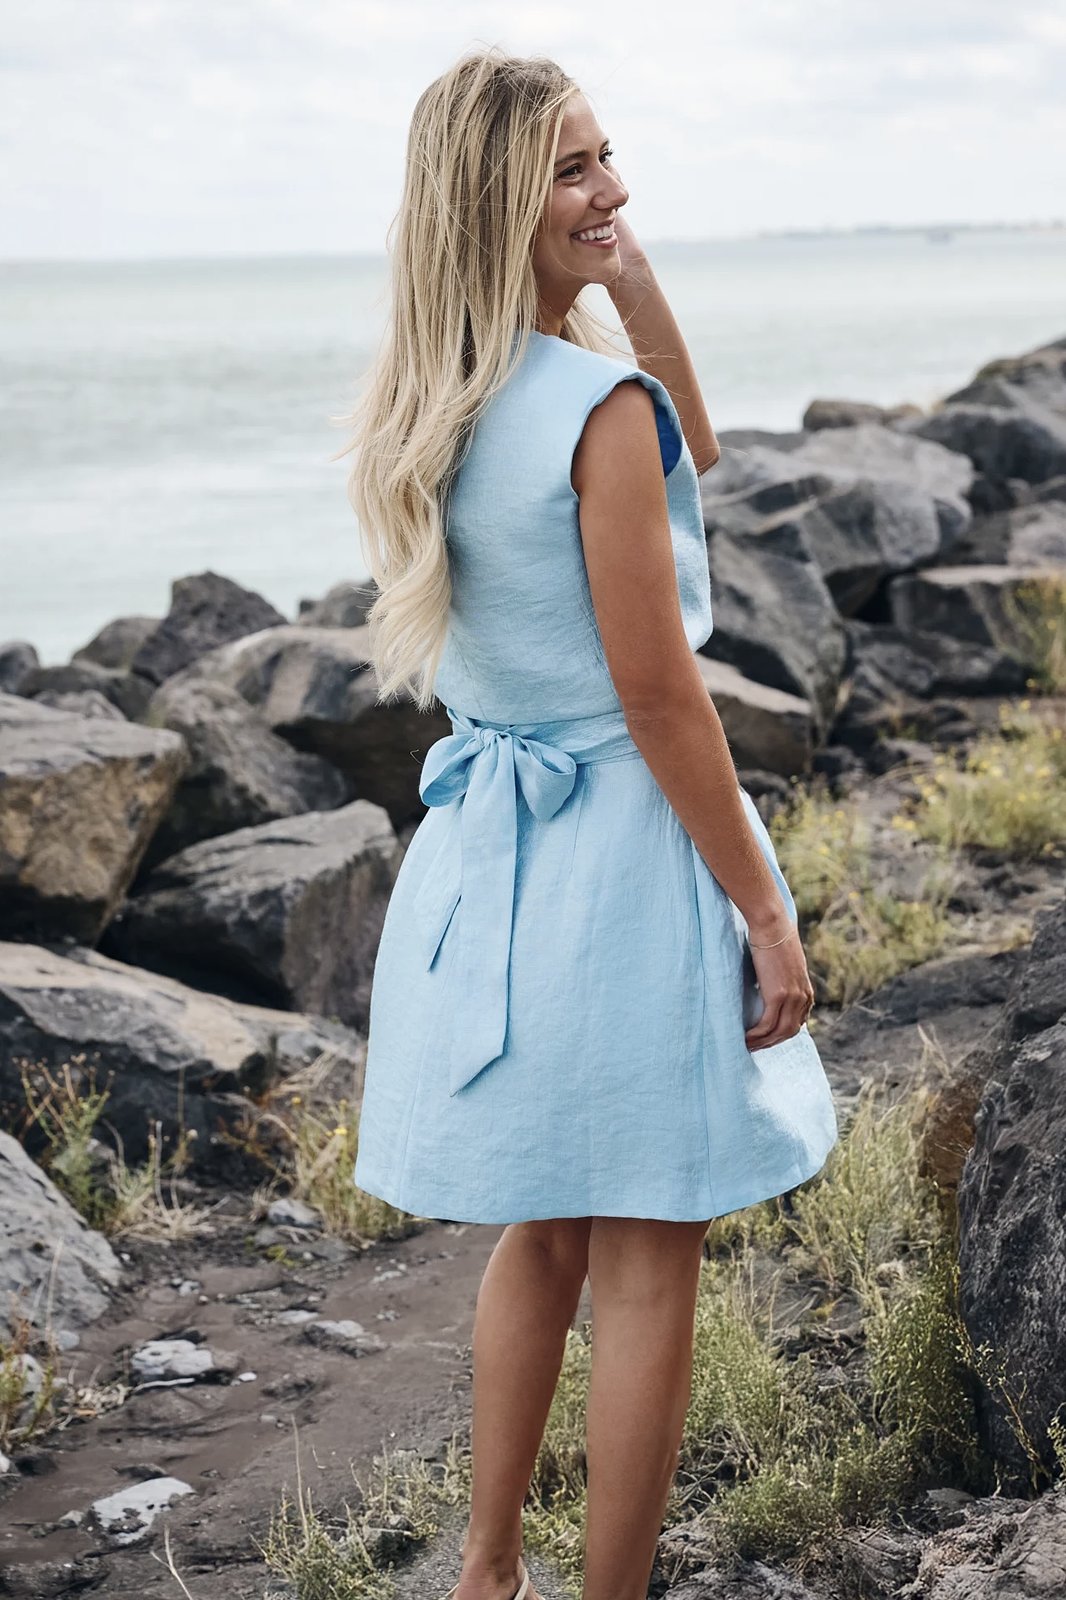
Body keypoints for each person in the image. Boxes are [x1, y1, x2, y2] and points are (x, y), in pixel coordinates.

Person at [344, 46, 839, 1600]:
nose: (611, 186)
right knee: (642, 1261)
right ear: (498, 196)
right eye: (572, 168)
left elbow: (689, 441)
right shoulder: (589, 407)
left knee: (540, 1232)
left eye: (609, 157)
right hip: (621, 853)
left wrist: (613, 255)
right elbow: (660, 697)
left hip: (494, 855)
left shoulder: (436, 397)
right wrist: (762, 905)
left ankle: (487, 1573)